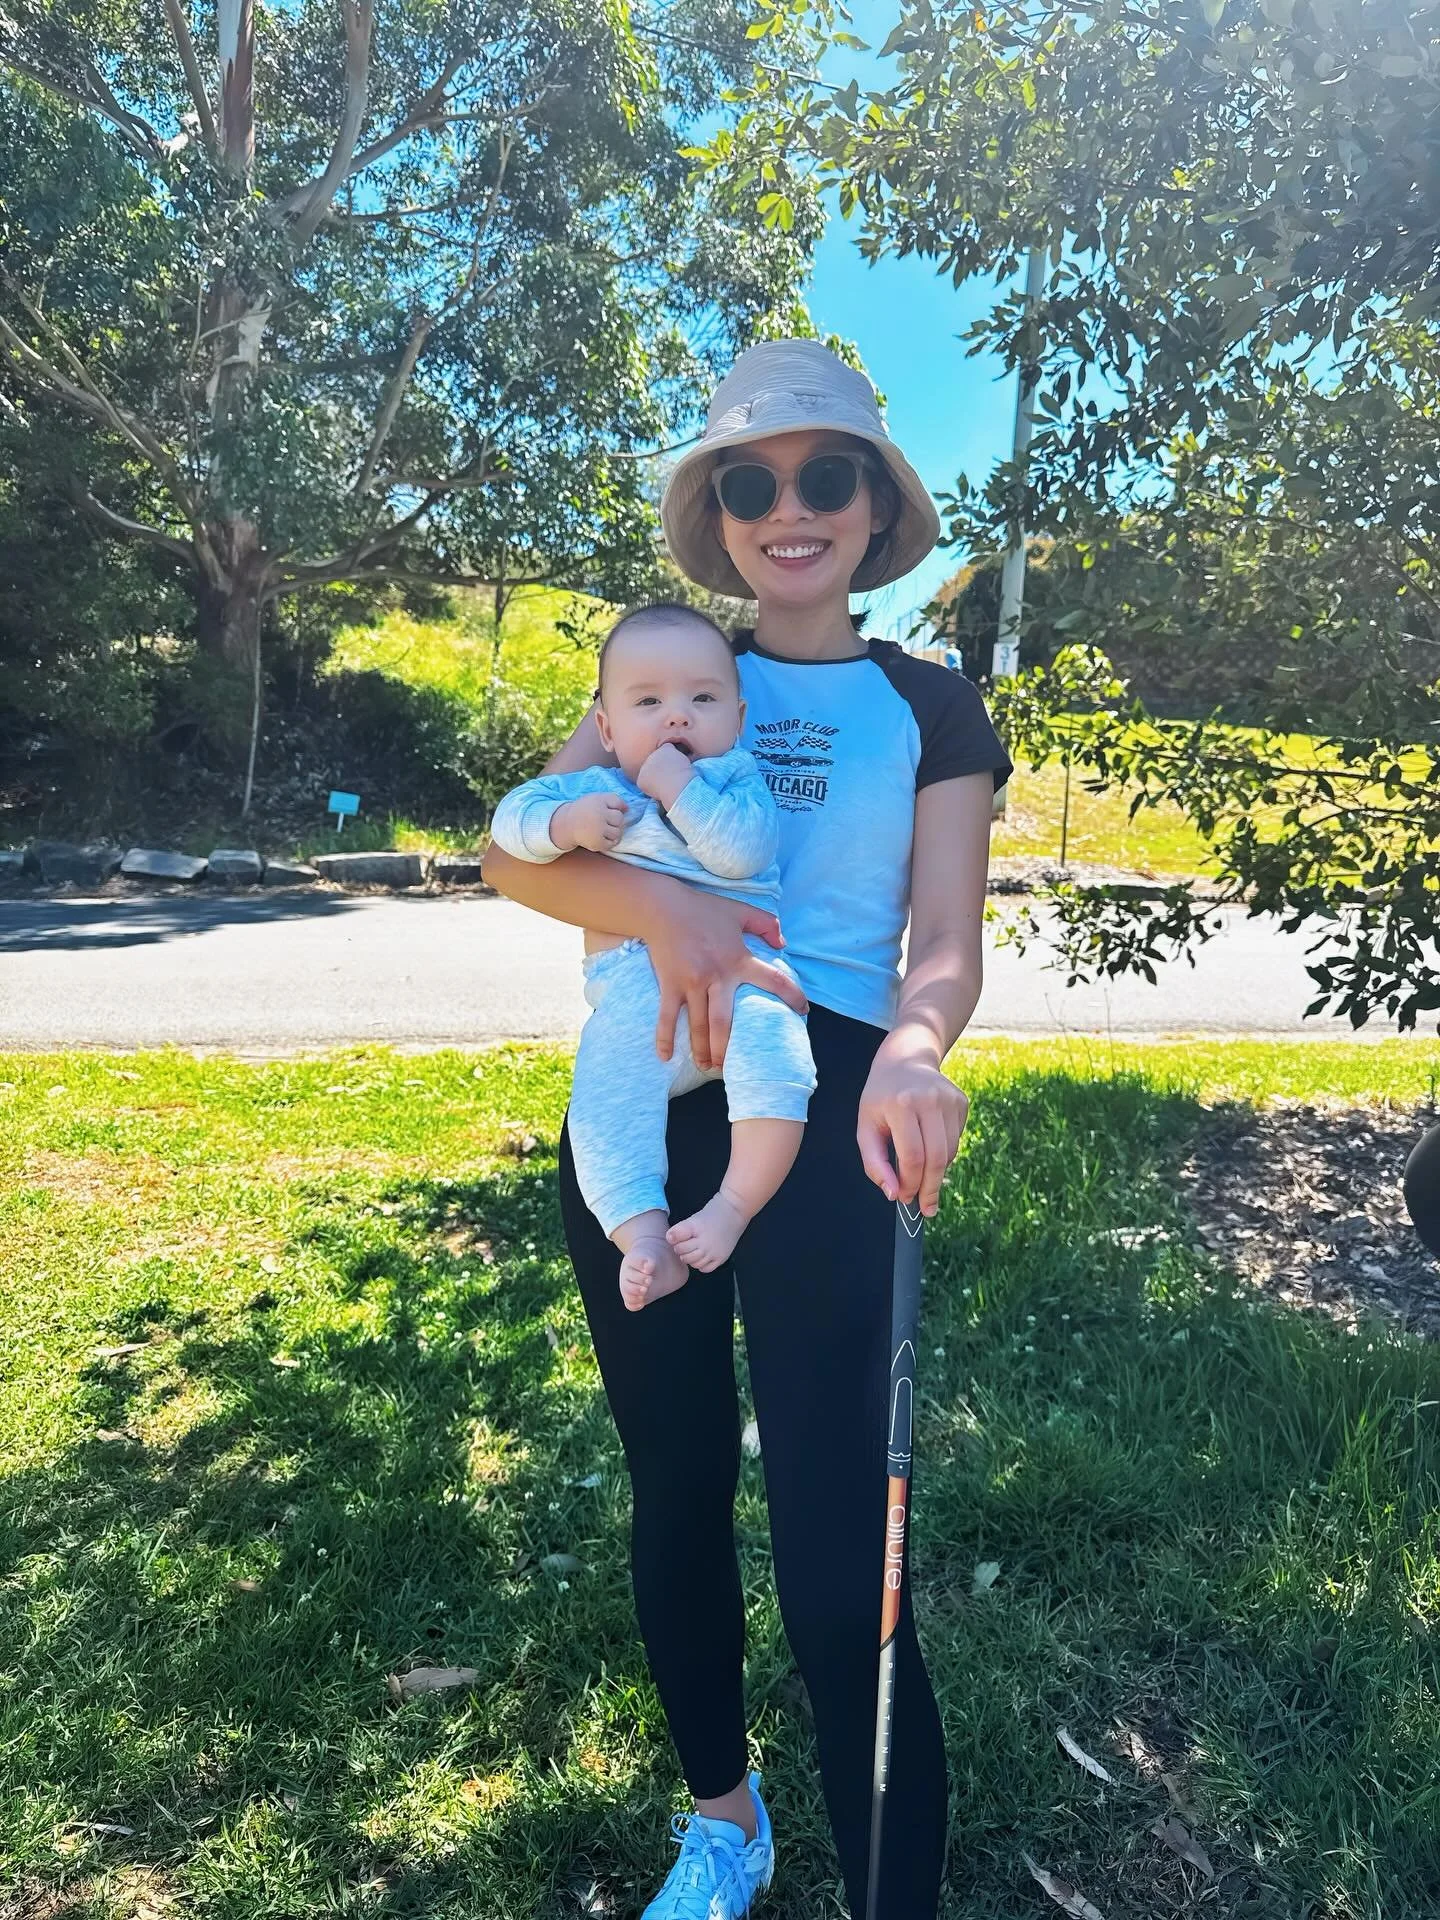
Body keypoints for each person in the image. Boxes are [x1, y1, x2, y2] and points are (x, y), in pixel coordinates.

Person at [482, 338, 1013, 1919]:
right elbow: (515, 853)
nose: (794, 510)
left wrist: (916, 1050)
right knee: (677, 1480)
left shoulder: (932, 704)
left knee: (842, 1520)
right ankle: (727, 1818)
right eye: (754, 481)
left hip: (827, 1111)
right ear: (718, 511)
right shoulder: (667, 662)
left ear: (872, 505)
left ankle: (890, 1881)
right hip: (652, 1094)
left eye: (826, 476)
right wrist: (672, 916)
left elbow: (943, 942)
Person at [488, 604, 816, 1311]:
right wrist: (561, 823)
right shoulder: (595, 789)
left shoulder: (737, 782)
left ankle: (733, 1207)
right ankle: (642, 1239)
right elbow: (508, 825)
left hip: (741, 980)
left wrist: (679, 789)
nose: (677, 719)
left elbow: (741, 852)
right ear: (606, 729)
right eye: (648, 703)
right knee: (603, 1101)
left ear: (737, 716)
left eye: (702, 699)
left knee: (781, 1055)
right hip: (638, 1003)